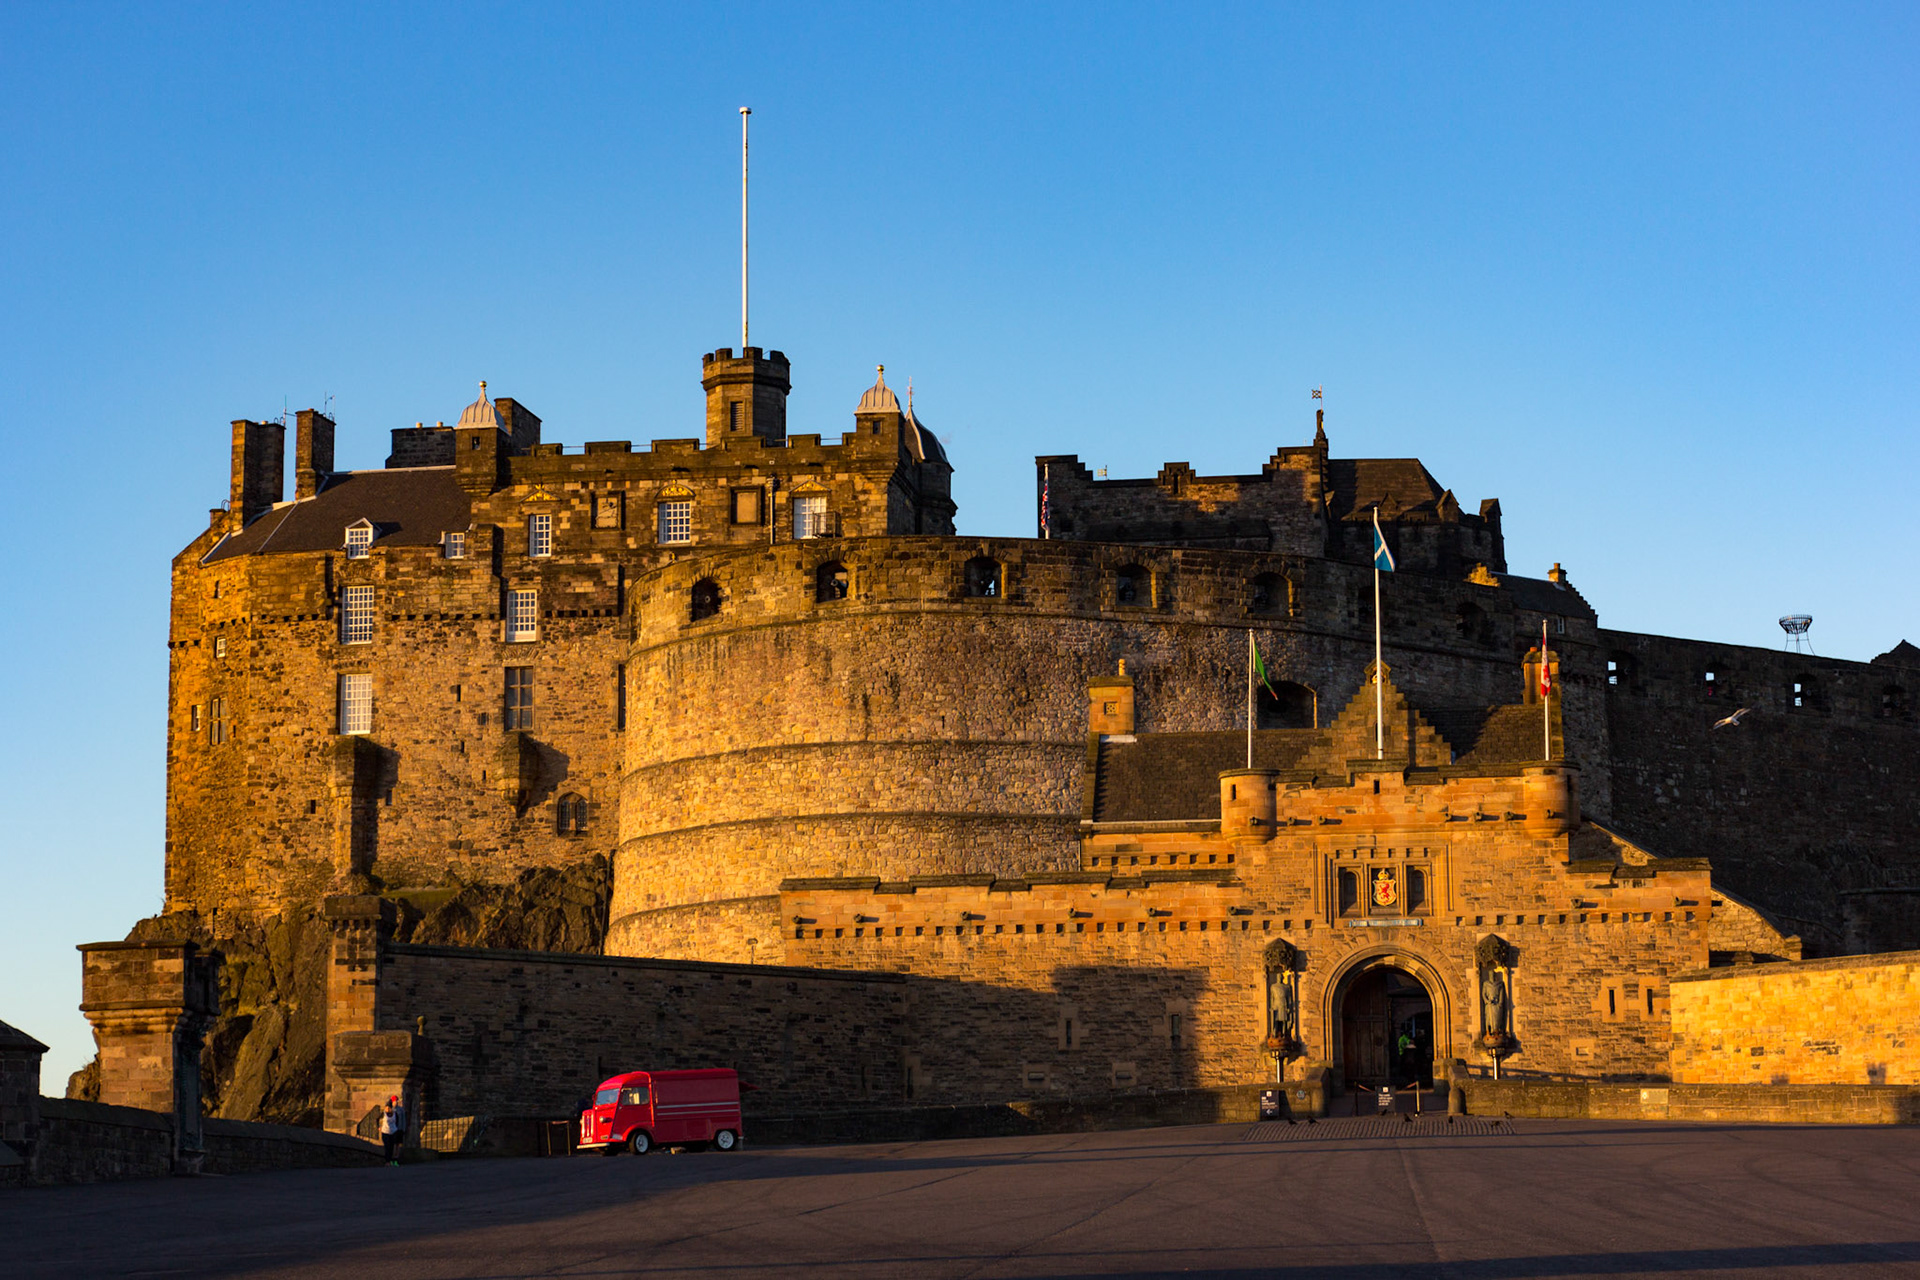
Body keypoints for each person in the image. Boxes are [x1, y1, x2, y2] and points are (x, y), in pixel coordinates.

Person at [381, 1094, 407, 1165]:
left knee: (397, 1144)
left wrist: (403, 1128)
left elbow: (403, 1119)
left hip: (399, 1128)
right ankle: (391, 1159)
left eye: (396, 1101)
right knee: (392, 1144)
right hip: (392, 1130)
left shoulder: (401, 1110)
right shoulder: (390, 1110)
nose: (396, 1102)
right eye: (394, 1101)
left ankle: (396, 1158)